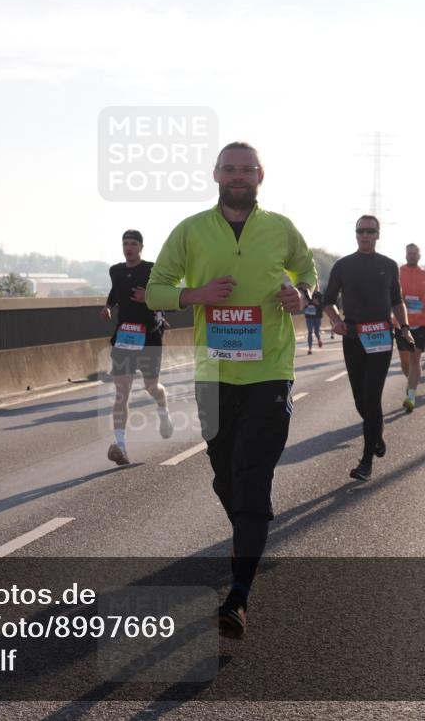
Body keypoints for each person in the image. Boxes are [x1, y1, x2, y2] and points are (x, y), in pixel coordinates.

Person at [146, 141, 317, 640]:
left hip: (269, 372)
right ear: (216, 174)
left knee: (253, 475)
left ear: (260, 175)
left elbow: (308, 274)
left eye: (246, 169)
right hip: (213, 374)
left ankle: (238, 596)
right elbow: (155, 289)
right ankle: (251, 531)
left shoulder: (281, 228)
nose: (238, 176)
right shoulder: (191, 230)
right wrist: (193, 295)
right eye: (230, 169)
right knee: (226, 478)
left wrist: (298, 294)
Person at [324, 216, 413, 481]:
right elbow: (328, 302)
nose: (365, 235)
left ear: (377, 234)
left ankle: (366, 463)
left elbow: (397, 301)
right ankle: (376, 434)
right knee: (360, 400)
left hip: (380, 338)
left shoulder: (388, 266)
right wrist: (337, 321)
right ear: (355, 234)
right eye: (360, 231)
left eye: (369, 231)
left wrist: (405, 327)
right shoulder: (343, 265)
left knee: (372, 397)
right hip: (352, 337)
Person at [101, 229, 173, 465]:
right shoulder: (116, 270)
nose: (128, 247)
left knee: (151, 387)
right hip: (124, 338)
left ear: (141, 247)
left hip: (149, 338)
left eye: (133, 243)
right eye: (125, 243)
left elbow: (168, 297)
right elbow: (116, 290)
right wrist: (108, 306)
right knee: (122, 393)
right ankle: (120, 446)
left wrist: (149, 297)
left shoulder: (152, 270)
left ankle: (163, 409)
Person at [396, 244, 425, 413]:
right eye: (409, 253)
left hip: (420, 322)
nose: (412, 256)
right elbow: (391, 293)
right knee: (405, 362)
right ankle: (411, 383)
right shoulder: (398, 272)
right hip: (400, 322)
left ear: (419, 256)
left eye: (414, 254)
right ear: (406, 255)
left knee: (415, 359)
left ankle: (411, 395)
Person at [304, 289, 324, 354]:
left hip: (317, 316)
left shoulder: (319, 294)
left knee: (316, 331)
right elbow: (302, 304)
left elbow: (323, 306)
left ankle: (319, 339)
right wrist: (305, 304)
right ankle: (310, 349)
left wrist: (317, 303)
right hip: (309, 316)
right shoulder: (306, 293)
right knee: (310, 331)